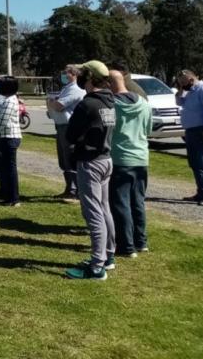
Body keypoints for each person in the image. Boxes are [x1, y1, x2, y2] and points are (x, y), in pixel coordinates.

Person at [64, 61, 116, 281]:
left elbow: (70, 134)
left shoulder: (88, 104)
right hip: (106, 159)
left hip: (90, 162)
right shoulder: (109, 102)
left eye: (83, 75)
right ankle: (108, 255)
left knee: (93, 212)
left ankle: (96, 266)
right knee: (104, 209)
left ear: (90, 78)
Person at [108, 70, 152, 257]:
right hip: (141, 158)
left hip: (120, 158)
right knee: (138, 202)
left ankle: (126, 246)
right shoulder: (143, 103)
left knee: (120, 203)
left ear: (109, 84)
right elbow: (148, 129)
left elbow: (107, 130)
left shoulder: (112, 105)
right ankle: (140, 242)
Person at [46, 65, 86, 200]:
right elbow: (54, 107)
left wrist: (51, 102)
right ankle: (69, 188)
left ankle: (75, 190)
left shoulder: (75, 90)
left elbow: (58, 106)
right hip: (60, 126)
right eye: (62, 72)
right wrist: (53, 103)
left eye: (66, 73)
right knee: (63, 160)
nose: (63, 75)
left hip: (69, 127)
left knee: (69, 158)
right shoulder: (65, 89)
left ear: (74, 74)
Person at [0, 76, 22, 206]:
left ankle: (13, 198)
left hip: (9, 138)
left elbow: (3, 120)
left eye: (1, 85)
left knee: (10, 169)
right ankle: (7, 194)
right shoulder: (8, 99)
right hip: (5, 137)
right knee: (6, 168)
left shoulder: (10, 101)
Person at [176, 70, 203, 204]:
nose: (182, 85)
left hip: (200, 130)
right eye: (180, 83)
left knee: (199, 162)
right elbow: (179, 102)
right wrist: (180, 89)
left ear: (191, 79)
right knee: (194, 163)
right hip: (191, 131)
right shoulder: (190, 90)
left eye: (184, 82)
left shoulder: (201, 89)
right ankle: (200, 192)